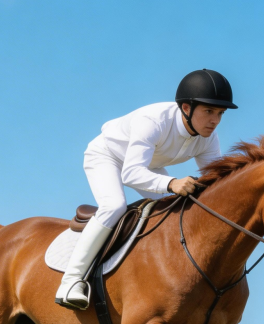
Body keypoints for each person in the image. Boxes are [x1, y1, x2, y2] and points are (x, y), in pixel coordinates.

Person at [55, 69, 238, 310]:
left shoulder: (208, 138)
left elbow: (215, 180)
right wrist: (172, 183)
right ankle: (71, 281)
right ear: (186, 108)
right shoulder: (154, 121)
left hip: (148, 165)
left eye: (220, 113)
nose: (215, 121)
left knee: (176, 207)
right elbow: (131, 174)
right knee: (114, 206)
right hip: (107, 156)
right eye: (209, 111)